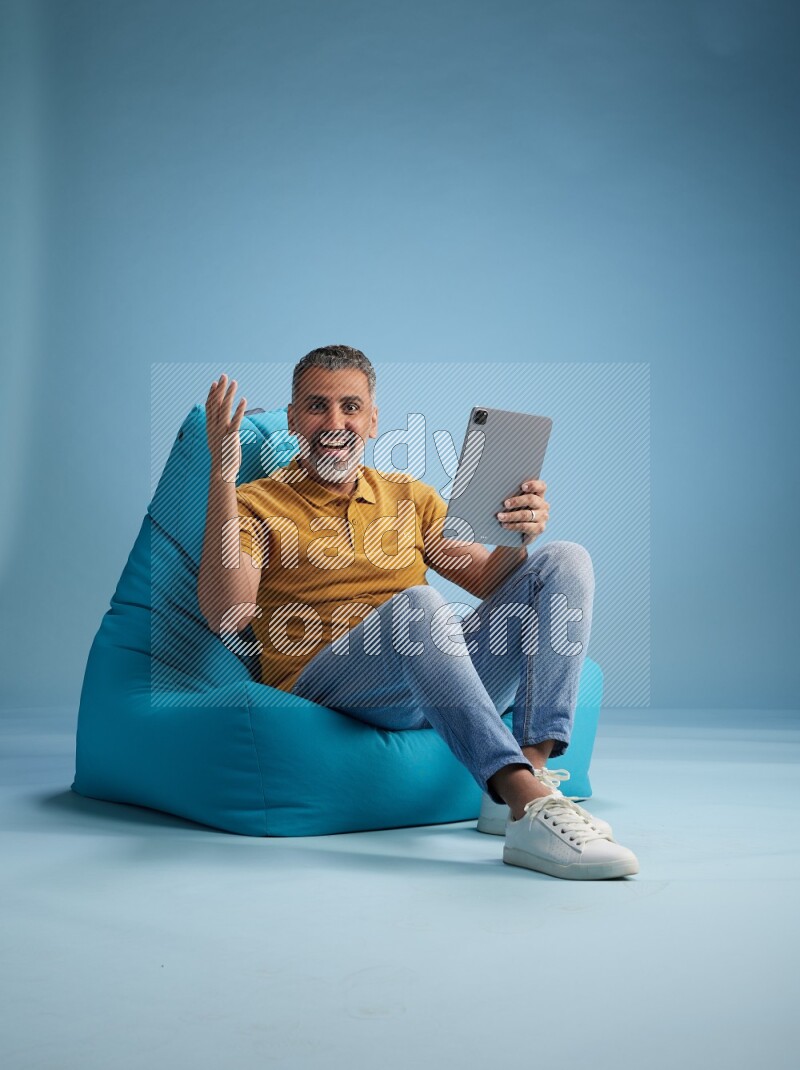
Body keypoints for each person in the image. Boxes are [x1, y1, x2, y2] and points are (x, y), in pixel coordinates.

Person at [197, 345, 639, 881]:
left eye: (351, 407)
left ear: (373, 421)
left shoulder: (406, 496)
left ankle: (530, 779)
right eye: (317, 406)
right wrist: (222, 476)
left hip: (432, 669)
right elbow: (226, 612)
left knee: (565, 560)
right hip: (335, 682)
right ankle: (524, 800)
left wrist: (517, 538)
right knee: (420, 604)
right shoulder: (254, 503)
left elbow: (489, 579)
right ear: (293, 418)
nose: (335, 423)